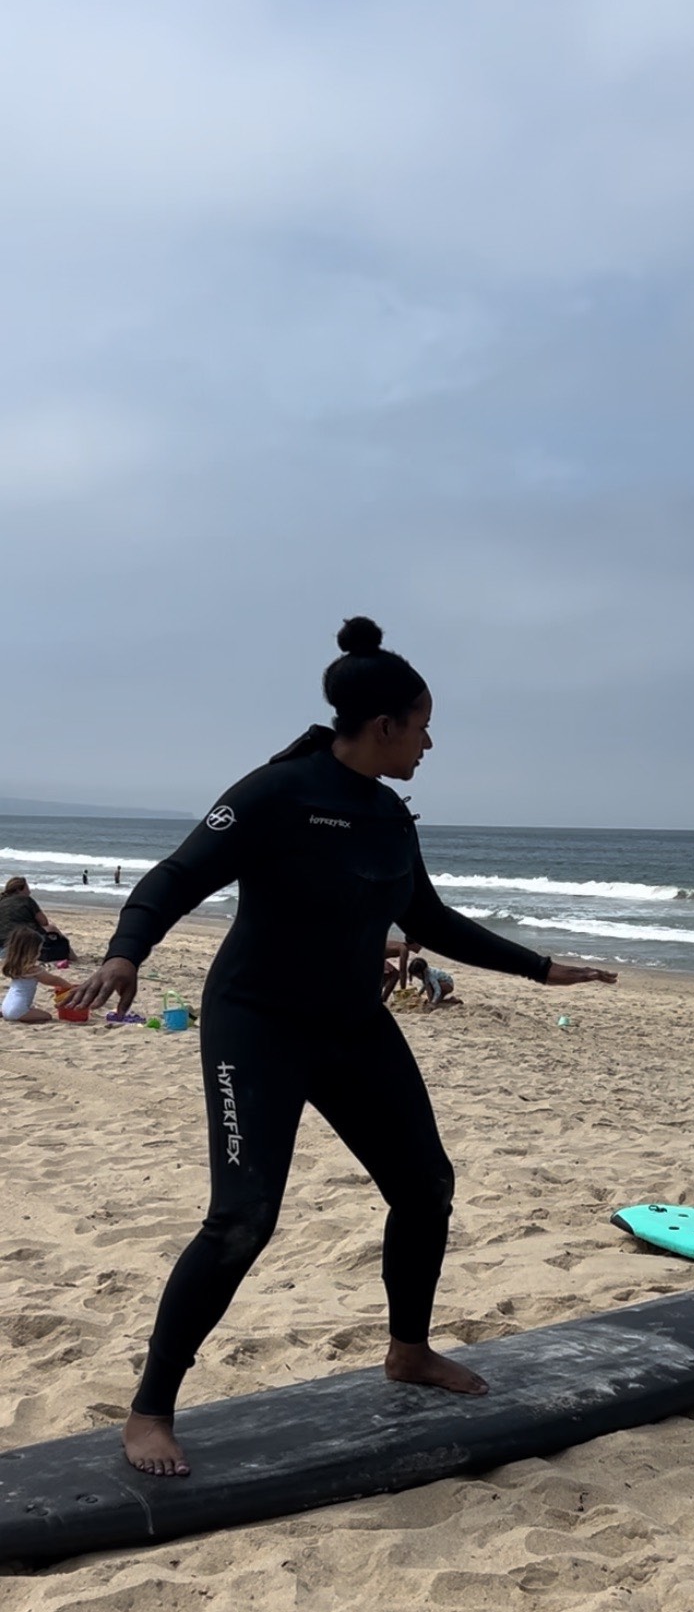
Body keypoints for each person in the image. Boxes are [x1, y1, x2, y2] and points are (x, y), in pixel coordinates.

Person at [74, 616, 616, 1478]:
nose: (431, 742)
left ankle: (407, 1348)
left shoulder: (389, 816)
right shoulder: (273, 793)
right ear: (383, 725)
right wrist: (125, 954)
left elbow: (429, 921)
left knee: (425, 1186)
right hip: (257, 1025)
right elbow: (176, 876)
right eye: (423, 725)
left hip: (353, 1026)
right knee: (242, 1219)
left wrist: (540, 968)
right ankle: (151, 1409)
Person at [1, 927, 77, 1024]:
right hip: (17, 1011)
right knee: (47, 1016)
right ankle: (24, 1016)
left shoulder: (14, 967)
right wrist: (69, 987)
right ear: (31, 952)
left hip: (5, 1007)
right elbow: (53, 980)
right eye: (38, 951)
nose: (39, 954)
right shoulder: (34, 970)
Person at [0, 876, 72, 965]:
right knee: (51, 928)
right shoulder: (26, 900)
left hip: (2, 945)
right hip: (24, 942)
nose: (29, 891)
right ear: (19, 890)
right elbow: (44, 922)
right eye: (27, 888)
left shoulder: (1, 901)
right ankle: (73, 957)